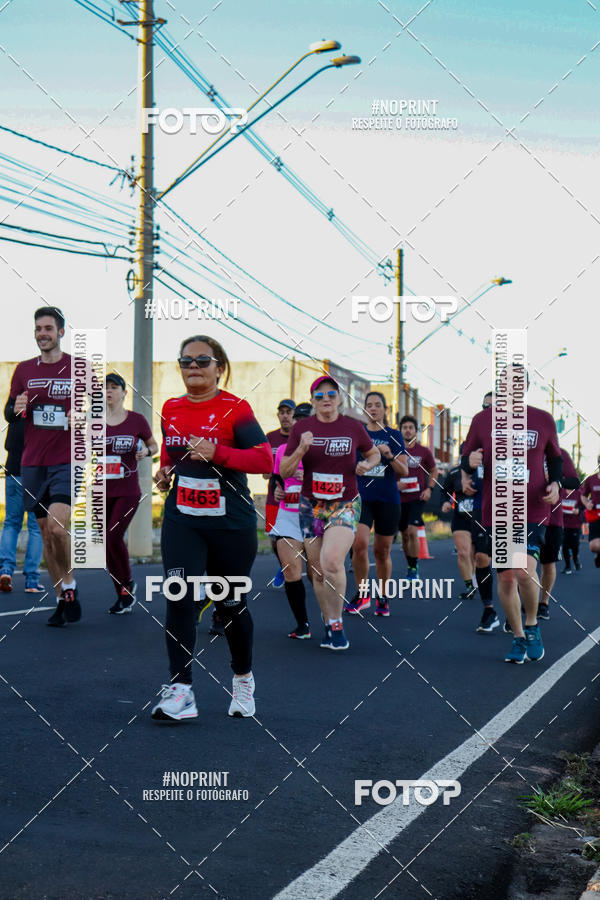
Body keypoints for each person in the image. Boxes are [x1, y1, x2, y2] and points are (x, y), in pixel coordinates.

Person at [151, 335, 272, 722]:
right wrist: (165, 471)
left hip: (229, 522)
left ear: (219, 367)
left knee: (230, 602)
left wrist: (217, 453)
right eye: (185, 361)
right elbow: (171, 453)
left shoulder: (235, 409)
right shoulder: (170, 408)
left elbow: (264, 460)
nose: (193, 367)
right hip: (183, 517)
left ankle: (243, 678)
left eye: (202, 360)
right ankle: (181, 691)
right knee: (179, 595)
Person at [462, 366, 562, 664]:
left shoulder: (543, 419)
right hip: (498, 508)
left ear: (527, 386)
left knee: (523, 570)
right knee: (506, 577)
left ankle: (531, 625)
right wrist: (469, 462)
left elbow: (555, 459)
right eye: (505, 381)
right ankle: (518, 637)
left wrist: (556, 484)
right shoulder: (482, 420)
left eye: (518, 381)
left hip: (532, 506)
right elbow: (467, 456)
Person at [280, 376, 380, 651]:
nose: (326, 399)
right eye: (319, 395)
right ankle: (328, 620)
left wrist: (367, 465)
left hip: (345, 504)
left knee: (332, 561)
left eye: (331, 394)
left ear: (340, 398)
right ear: (312, 401)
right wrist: (301, 449)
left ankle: (336, 624)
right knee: (318, 572)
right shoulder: (302, 428)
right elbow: (285, 471)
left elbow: (374, 454)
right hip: (311, 506)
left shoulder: (353, 427)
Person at [6, 307, 81, 626]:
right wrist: (16, 407)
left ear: (61, 332)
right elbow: (9, 412)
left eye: (48, 328)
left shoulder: (79, 368)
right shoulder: (24, 370)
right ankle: (61, 597)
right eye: (38, 329)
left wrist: (83, 416)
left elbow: (98, 410)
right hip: (32, 462)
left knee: (58, 527)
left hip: (66, 460)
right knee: (46, 536)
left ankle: (71, 586)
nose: (42, 334)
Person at [347, 391, 407, 616]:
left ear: (385, 409)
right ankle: (363, 594)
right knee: (359, 544)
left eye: (377, 405)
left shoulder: (393, 435)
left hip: (387, 498)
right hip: (361, 498)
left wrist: (389, 456)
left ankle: (383, 595)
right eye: (369, 405)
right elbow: (346, 464)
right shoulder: (357, 433)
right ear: (364, 409)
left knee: (381, 551)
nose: (373, 408)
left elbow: (404, 470)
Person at [103, 373, 157, 614]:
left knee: (113, 536)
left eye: (114, 387)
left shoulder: (136, 420)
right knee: (105, 544)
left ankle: (127, 584)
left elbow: (154, 445)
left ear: (124, 393)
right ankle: (122, 594)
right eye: (105, 388)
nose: (108, 391)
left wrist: (146, 451)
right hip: (102, 490)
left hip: (128, 490)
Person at [270, 402, 313, 638]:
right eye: (298, 419)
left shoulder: (323, 452)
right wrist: (278, 491)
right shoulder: (284, 450)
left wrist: (308, 478)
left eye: (306, 420)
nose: (300, 424)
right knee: (291, 572)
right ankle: (302, 625)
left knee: (317, 574)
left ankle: (332, 620)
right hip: (287, 514)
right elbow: (276, 479)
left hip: (315, 516)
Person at [0, 405, 43, 593]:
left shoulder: (16, 402)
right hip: (36, 472)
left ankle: (5, 570)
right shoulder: (45, 402)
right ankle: (32, 581)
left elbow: (8, 441)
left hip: (13, 470)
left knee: (11, 522)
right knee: (36, 527)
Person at [538, 447, 579, 621]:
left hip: (552, 518)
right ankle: (521, 601)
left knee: (548, 564)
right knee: (519, 565)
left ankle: (544, 603)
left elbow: (574, 482)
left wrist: (556, 481)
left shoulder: (560, 454)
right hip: (521, 516)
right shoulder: (517, 449)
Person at [397, 415, 437, 580]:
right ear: (400, 430)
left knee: (412, 531)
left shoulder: (423, 451)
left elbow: (434, 470)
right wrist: (395, 485)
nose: (407, 430)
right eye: (404, 427)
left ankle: (413, 568)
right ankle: (410, 564)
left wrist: (429, 489)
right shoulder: (395, 450)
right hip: (398, 499)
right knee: (405, 535)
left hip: (417, 498)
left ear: (416, 431)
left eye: (410, 428)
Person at [264, 399, 296, 589]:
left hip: (297, 499)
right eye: (282, 412)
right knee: (274, 540)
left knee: (299, 537)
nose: (285, 416)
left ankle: (292, 565)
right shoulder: (270, 437)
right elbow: (265, 471)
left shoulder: (300, 438)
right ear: (278, 415)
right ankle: (284, 566)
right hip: (274, 497)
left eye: (288, 412)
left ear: (294, 416)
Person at [440, 446, 477, 601]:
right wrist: (446, 502)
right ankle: (469, 586)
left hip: (480, 518)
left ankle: (474, 577)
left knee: (476, 555)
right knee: (463, 552)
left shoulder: (484, 472)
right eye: (464, 456)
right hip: (460, 517)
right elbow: (445, 491)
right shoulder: (454, 472)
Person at [579, 459, 600, 568]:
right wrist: (587, 503)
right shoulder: (591, 479)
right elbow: (583, 495)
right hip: (595, 515)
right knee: (594, 546)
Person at [562, 486, 582, 574]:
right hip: (563, 524)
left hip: (575, 524)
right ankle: (568, 566)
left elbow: (584, 504)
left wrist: (579, 510)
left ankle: (575, 558)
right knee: (565, 546)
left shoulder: (578, 493)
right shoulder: (561, 491)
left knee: (574, 545)